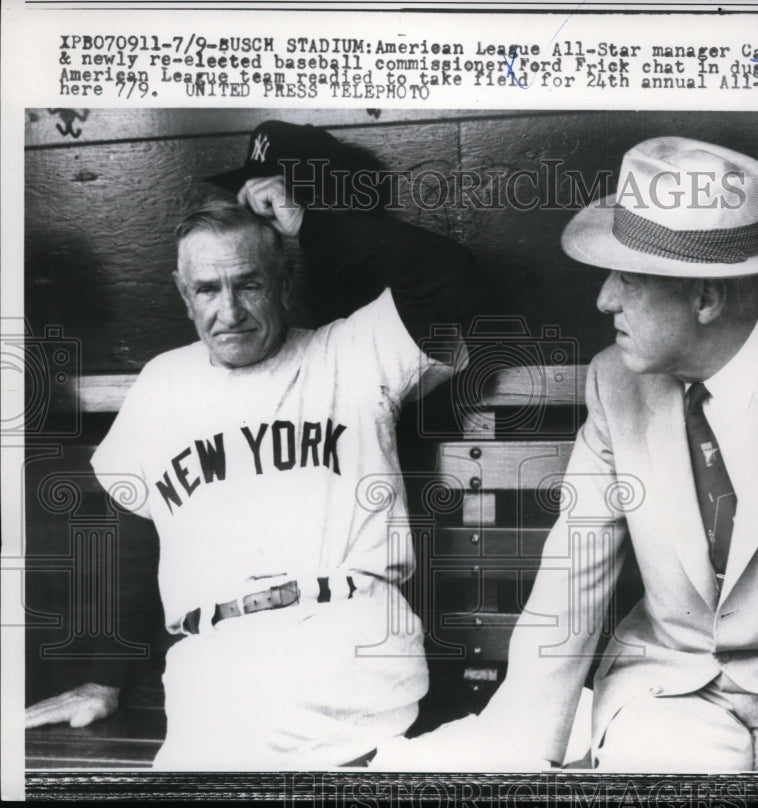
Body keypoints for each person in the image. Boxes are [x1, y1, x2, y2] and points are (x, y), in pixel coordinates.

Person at [378, 135, 758, 773]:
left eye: (629, 278)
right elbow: (571, 582)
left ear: (705, 299)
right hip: (674, 691)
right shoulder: (614, 383)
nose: (604, 300)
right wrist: (517, 757)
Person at [25, 122, 475, 769]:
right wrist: (105, 679)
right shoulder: (163, 383)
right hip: (216, 668)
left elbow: (452, 276)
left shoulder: (356, 351)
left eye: (250, 284)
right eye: (208, 289)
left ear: (284, 283)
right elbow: (133, 540)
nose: (229, 311)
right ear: (184, 294)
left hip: (347, 650)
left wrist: (309, 224)